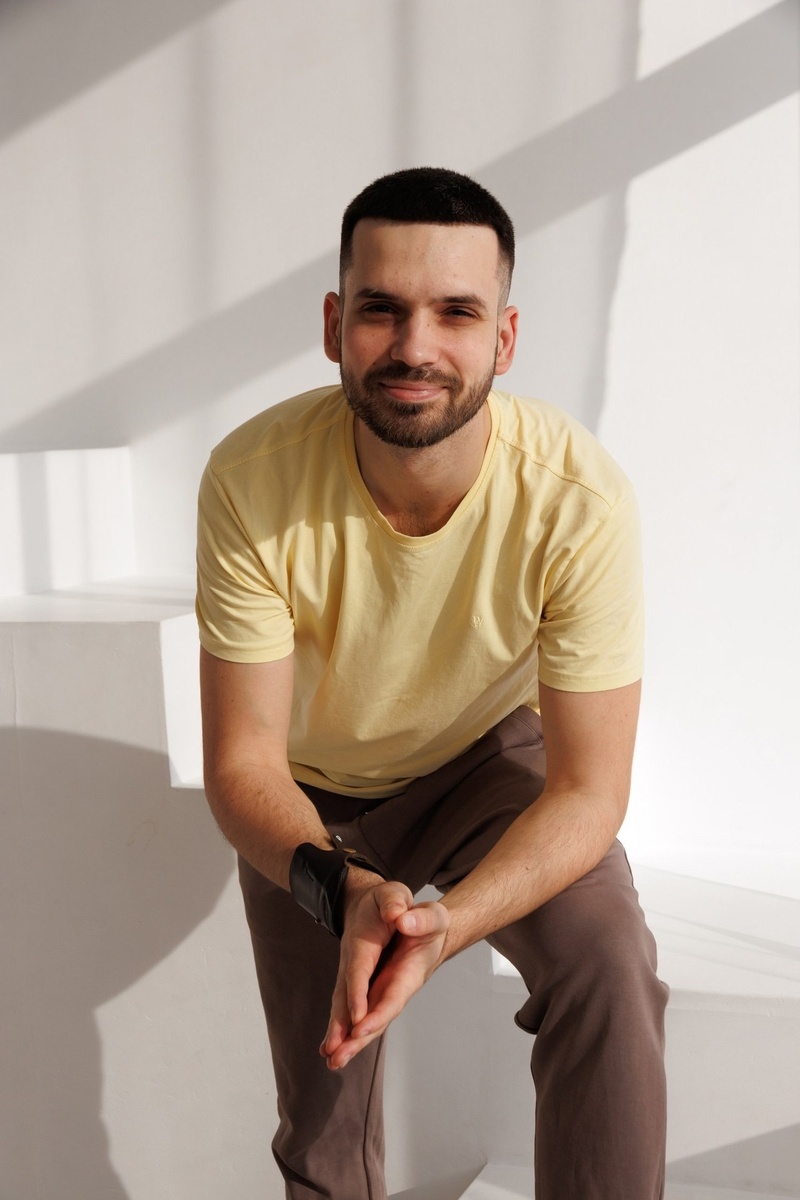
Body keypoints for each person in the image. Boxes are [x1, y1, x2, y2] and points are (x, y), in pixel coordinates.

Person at [196, 167, 668, 1200]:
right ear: (334, 326)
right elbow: (241, 763)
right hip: (309, 798)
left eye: (456, 312)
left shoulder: (577, 499)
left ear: (503, 338)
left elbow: (589, 791)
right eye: (382, 309)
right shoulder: (252, 479)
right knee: (322, 1122)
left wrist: (450, 917)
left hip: (487, 767)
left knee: (606, 965)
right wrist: (345, 887)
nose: (415, 346)